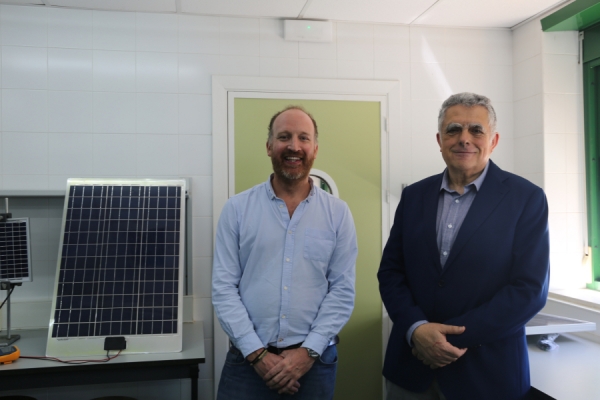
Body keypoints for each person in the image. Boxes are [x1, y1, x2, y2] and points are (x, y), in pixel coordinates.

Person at [378, 92, 549, 400]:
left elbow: (529, 289)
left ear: (493, 140)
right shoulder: (415, 196)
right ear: (439, 138)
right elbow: (391, 272)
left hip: (487, 375)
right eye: (453, 129)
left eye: (476, 130)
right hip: (411, 370)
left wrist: (445, 339)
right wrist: (417, 329)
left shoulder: (526, 199)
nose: (464, 139)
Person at [212, 106, 358, 400]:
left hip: (314, 365)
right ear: (269, 147)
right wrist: (258, 356)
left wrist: (307, 353)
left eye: (303, 138)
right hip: (247, 364)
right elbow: (224, 288)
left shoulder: (337, 214)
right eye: (284, 137)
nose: (294, 146)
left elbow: (342, 290)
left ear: (315, 148)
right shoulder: (237, 209)